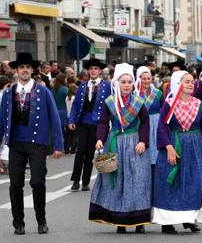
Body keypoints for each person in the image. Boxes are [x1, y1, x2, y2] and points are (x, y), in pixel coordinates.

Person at [0, 53, 64, 235]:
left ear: (32, 70)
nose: (25, 70)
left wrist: (58, 145)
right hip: (15, 143)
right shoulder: (8, 93)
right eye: (21, 67)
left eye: (28, 67)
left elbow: (55, 119)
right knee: (15, 184)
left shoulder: (43, 91)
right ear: (16, 70)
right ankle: (18, 223)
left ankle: (41, 221)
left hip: (36, 143)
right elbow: (0, 121)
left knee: (38, 182)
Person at [153, 71, 202, 234]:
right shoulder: (169, 104)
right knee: (171, 182)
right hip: (173, 146)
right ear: (178, 84)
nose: (191, 84)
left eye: (192, 81)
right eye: (186, 82)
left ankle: (189, 219)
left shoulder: (199, 105)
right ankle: (167, 222)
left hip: (195, 147)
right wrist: (168, 147)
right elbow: (162, 127)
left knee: (194, 182)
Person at [90, 63, 152, 233]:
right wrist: (100, 139)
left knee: (138, 180)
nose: (126, 85)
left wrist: (143, 141)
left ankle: (139, 221)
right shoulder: (109, 102)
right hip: (115, 142)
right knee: (117, 181)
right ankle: (120, 220)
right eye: (123, 82)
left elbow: (145, 122)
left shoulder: (139, 102)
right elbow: (103, 122)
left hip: (135, 143)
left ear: (133, 84)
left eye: (129, 82)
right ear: (117, 84)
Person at [68, 59, 110, 191]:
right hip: (83, 122)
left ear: (100, 71)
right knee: (80, 151)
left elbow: (111, 104)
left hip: (98, 124)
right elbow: (75, 105)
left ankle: (85, 181)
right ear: (88, 71)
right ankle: (75, 180)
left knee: (91, 153)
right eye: (91, 69)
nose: (93, 71)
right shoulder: (82, 85)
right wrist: (72, 120)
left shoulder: (106, 86)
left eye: (96, 69)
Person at [135, 66, 163, 172]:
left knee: (156, 154)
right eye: (144, 78)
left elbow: (164, 109)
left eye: (149, 78)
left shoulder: (158, 93)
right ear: (139, 79)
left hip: (156, 126)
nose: (147, 81)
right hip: (142, 125)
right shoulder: (135, 94)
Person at [51, 74, 69, 138]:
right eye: (66, 79)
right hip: (64, 111)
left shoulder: (53, 89)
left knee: (57, 130)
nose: (67, 80)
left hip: (55, 111)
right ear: (63, 80)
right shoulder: (65, 89)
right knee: (63, 130)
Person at [65, 83, 78, 154]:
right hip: (73, 117)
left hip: (68, 116)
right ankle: (73, 149)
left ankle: (66, 149)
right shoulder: (74, 98)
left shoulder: (67, 97)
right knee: (74, 135)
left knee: (68, 135)